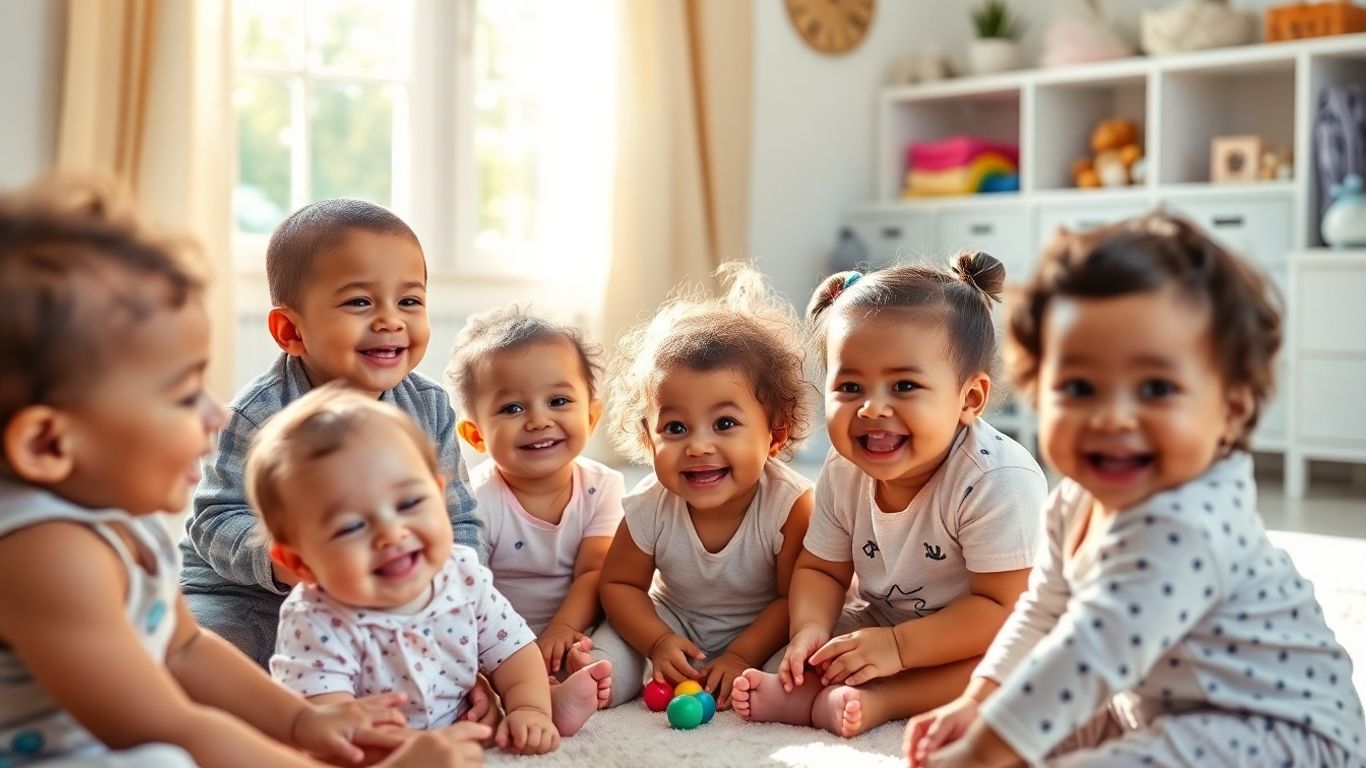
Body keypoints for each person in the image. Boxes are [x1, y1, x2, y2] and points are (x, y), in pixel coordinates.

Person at [0, 178, 486, 767]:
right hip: (254, 591)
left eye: (410, 300)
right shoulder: (46, 554)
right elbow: (172, 725)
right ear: (51, 443)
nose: (217, 413)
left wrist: (303, 719)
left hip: (374, 580)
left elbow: (180, 647)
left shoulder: (128, 519)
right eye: (184, 397)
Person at [906, 215, 1366, 767]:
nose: (1112, 417)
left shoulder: (1186, 525)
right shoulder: (1072, 501)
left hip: (1280, 732)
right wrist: (980, 700)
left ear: (1231, 409)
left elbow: (1087, 654)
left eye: (1156, 388)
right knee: (1034, 723)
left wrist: (980, 754)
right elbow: (1043, 612)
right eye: (1078, 387)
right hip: (1158, 703)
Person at [732, 252, 1049, 738]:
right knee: (810, 639)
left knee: (1023, 661)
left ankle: (884, 700)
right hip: (884, 617)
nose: (872, 409)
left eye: (904, 385)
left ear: (969, 399)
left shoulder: (997, 480)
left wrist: (898, 648)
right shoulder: (844, 469)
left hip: (986, 625)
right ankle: (811, 687)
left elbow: (1001, 608)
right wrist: (809, 631)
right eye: (850, 386)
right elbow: (820, 568)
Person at [180, 199, 488, 670]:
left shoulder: (427, 407)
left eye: (409, 301)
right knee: (208, 655)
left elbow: (458, 519)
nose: (391, 320)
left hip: (384, 584)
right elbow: (215, 519)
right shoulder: (259, 414)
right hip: (255, 593)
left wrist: (447, 593)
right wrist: (287, 562)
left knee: (469, 643)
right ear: (291, 331)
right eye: (360, 302)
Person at [253, 385, 565, 756]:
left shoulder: (461, 574)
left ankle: (557, 703)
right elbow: (331, 728)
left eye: (411, 502)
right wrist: (413, 752)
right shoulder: (316, 621)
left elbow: (512, 649)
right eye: (352, 526)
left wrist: (528, 708)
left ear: (438, 493)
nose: (391, 534)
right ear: (300, 563)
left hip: (462, 720)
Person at [589, 263, 815, 710]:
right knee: (612, 653)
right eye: (674, 427)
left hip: (762, 630)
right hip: (672, 619)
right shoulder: (649, 505)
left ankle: (761, 690)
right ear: (645, 436)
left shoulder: (791, 506)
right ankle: (592, 685)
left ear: (777, 433)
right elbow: (619, 584)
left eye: (725, 423)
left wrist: (740, 654)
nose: (698, 445)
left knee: (794, 668)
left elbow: (795, 599)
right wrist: (656, 641)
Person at [447, 306, 618, 732]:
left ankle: (573, 680)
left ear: (591, 417)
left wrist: (564, 630)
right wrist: (504, 655)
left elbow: (595, 571)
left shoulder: (604, 486)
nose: (539, 420)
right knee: (456, 670)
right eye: (512, 408)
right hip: (500, 639)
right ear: (476, 435)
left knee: (620, 659)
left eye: (558, 401)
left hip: (580, 624)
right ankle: (534, 693)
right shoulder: (477, 500)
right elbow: (468, 592)